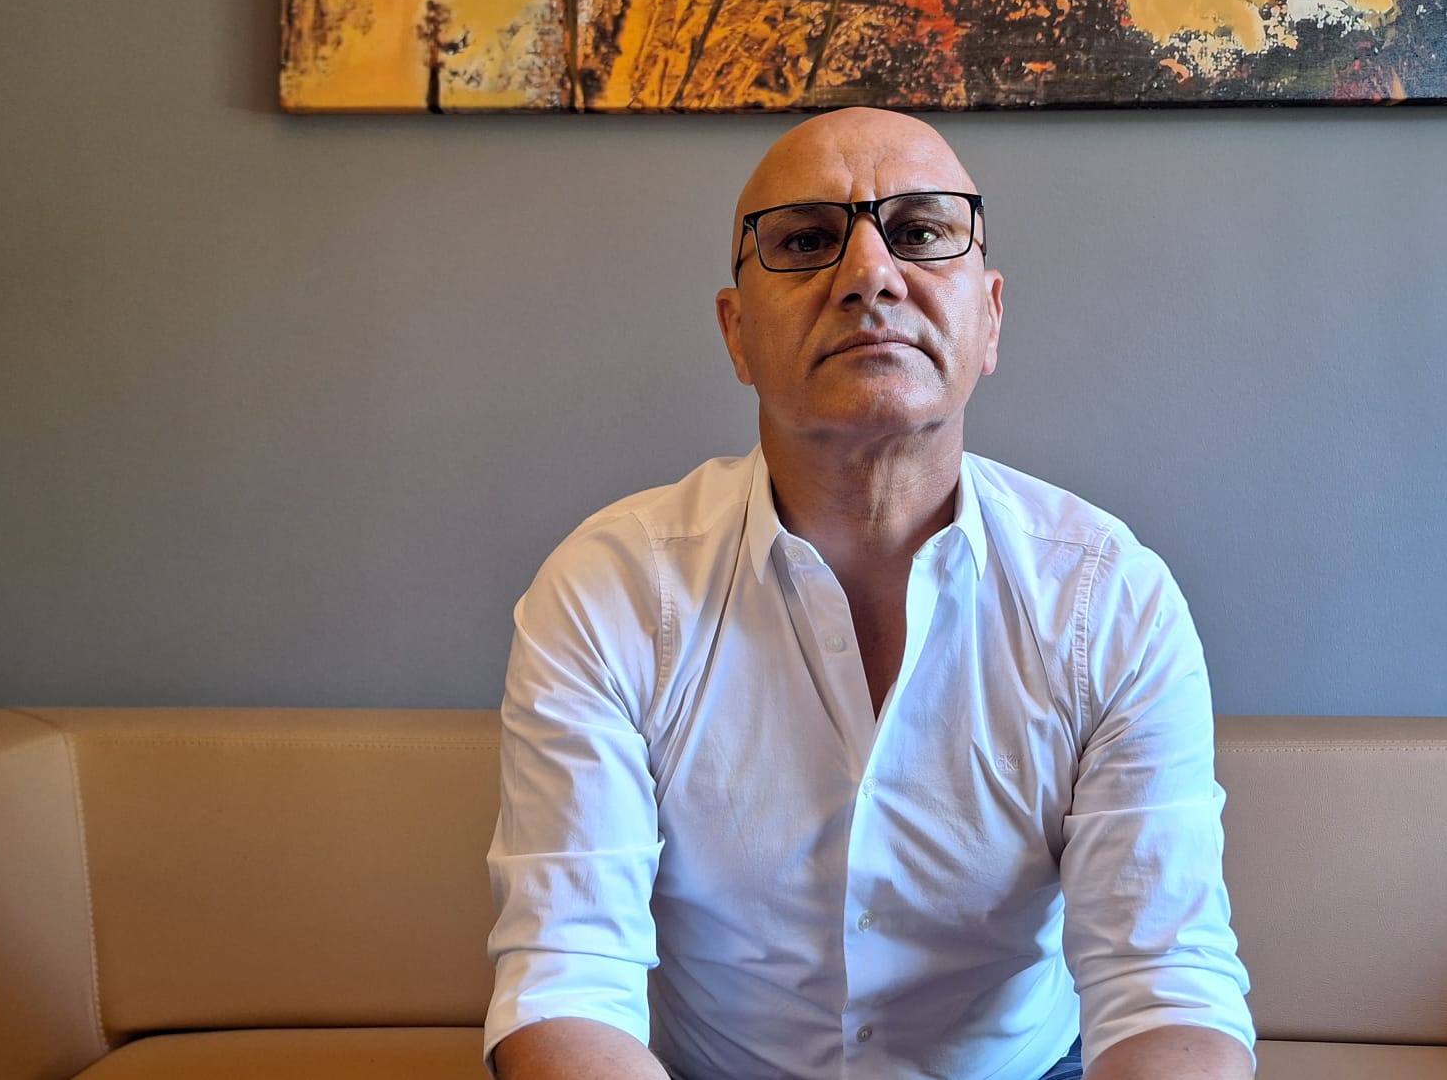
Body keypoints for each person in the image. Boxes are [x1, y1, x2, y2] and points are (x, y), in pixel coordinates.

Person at [485, 109, 1254, 1080]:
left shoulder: (1107, 598)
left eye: (920, 232)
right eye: (807, 241)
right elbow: (567, 977)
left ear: (989, 318)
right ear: (736, 333)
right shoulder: (610, 589)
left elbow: (1164, 986)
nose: (868, 275)